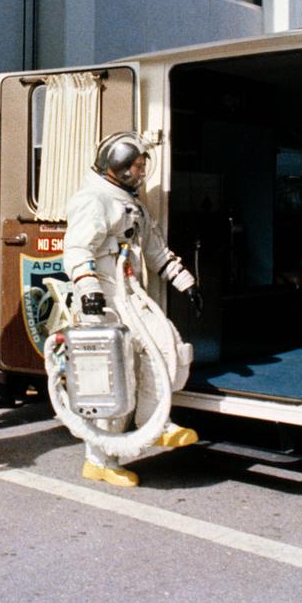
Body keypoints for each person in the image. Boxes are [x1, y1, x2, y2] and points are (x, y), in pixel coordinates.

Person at [61, 131, 204, 487]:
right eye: (137, 166)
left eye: (143, 166)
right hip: (103, 295)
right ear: (119, 166)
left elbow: (154, 250)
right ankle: (100, 459)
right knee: (111, 375)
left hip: (128, 292)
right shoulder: (94, 200)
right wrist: (89, 288)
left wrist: (185, 282)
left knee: (168, 348)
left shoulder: (131, 203)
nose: (141, 173)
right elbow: (77, 250)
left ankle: (153, 424)